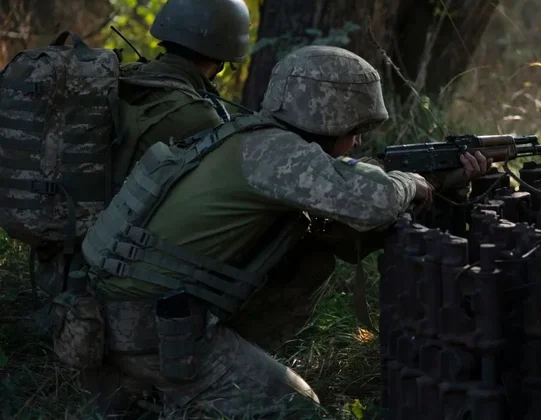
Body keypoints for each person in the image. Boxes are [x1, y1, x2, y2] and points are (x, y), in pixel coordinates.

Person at [72, 45, 491, 418]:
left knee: (310, 251)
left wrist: (443, 181)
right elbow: (373, 202)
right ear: (330, 117)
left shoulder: (251, 139)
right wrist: (411, 183)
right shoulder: (274, 154)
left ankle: (157, 386)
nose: (358, 141)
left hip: (124, 315)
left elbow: (344, 214)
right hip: (153, 330)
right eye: (355, 129)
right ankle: (170, 388)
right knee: (299, 410)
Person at [34, 0, 252, 300]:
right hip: (116, 279)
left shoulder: (120, 76)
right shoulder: (197, 117)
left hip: (58, 263)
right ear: (223, 57)